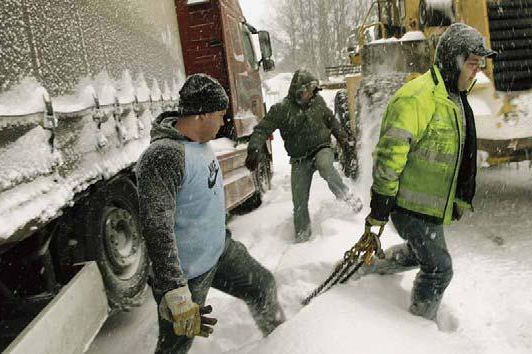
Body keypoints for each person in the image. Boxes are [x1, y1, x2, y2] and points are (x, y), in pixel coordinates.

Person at [136, 74, 285, 353]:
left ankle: (285, 343)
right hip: (187, 275)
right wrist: (174, 292)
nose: (223, 121)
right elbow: (157, 227)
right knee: (175, 346)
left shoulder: (200, 144)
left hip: (219, 252)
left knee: (262, 286)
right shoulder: (163, 156)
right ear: (202, 114)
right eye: (220, 114)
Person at [361, 23, 497, 320]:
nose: (477, 71)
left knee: (416, 252)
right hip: (409, 206)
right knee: (439, 269)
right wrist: (382, 202)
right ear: (453, 60)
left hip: (427, 206)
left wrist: (458, 199)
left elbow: (462, 155)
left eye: (479, 64)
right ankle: (419, 329)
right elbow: (389, 154)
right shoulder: (418, 98)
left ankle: (370, 265)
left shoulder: (453, 96)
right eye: (472, 64)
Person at [245, 69, 363, 242]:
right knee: (299, 201)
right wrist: (254, 148)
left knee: (325, 165)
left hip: (321, 148)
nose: (313, 94)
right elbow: (262, 129)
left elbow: (332, 121)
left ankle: (348, 197)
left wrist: (344, 140)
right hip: (300, 159)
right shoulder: (281, 109)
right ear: (299, 90)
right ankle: (302, 237)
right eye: (310, 90)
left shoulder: (318, 102)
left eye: (314, 90)